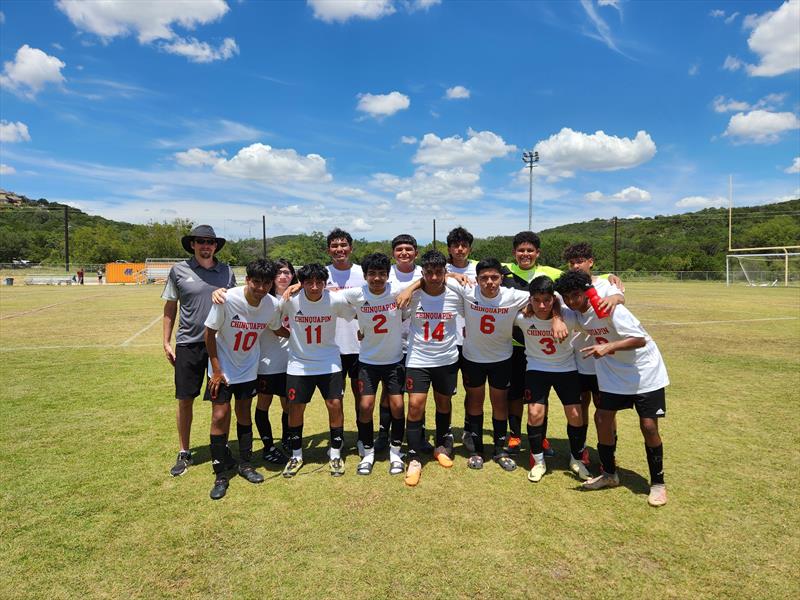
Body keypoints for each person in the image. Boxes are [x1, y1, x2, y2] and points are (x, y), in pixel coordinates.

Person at [555, 270, 670, 507]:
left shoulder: (608, 308)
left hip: (644, 372)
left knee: (648, 426)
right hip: (613, 374)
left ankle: (658, 483)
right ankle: (609, 474)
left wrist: (609, 347)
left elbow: (640, 339)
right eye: (567, 297)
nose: (571, 301)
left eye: (575, 295)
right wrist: (557, 317)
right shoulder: (577, 314)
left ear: (586, 292)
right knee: (602, 418)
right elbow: (553, 306)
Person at [204, 259, 282, 500]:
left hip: (248, 369)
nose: (261, 288)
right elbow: (209, 334)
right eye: (256, 282)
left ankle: (246, 464)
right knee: (219, 416)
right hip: (222, 370)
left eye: (266, 283)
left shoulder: (272, 304)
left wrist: (301, 336)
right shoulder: (227, 299)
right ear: (247, 279)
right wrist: (217, 370)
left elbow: (277, 328)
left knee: (244, 414)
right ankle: (220, 474)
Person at [162, 225, 236, 477]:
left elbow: (236, 305)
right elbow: (170, 307)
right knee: (185, 399)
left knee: (222, 399)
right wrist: (166, 342)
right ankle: (184, 451)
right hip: (189, 343)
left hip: (220, 344)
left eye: (210, 242)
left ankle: (222, 446)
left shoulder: (226, 271)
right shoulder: (179, 270)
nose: (206, 246)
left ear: (216, 246)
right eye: (201, 241)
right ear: (192, 244)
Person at [445, 257, 530, 471]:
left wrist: (556, 318)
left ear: (501, 278)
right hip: (473, 358)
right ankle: (477, 450)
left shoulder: (513, 295)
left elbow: (548, 296)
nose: (489, 282)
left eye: (494, 277)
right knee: (475, 402)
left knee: (499, 403)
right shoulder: (468, 290)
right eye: (484, 278)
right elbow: (437, 277)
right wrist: (454, 274)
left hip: (502, 359)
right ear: (477, 279)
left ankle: (499, 450)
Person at [280, 263, 357, 478]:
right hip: (299, 364)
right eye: (309, 282)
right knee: (296, 408)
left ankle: (335, 453)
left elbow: (357, 315)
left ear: (325, 283)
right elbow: (273, 320)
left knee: (335, 405)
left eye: (319, 282)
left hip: (329, 362)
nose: (314, 287)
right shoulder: (290, 300)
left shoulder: (335, 300)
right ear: (301, 283)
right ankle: (296, 455)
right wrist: (292, 339)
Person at [514, 276, 590, 484]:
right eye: (536, 300)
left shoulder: (568, 317)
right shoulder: (521, 317)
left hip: (566, 368)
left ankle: (577, 459)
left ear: (553, 300)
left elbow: (591, 323)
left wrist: (557, 316)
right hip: (536, 369)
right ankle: (538, 461)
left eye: (546, 300)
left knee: (575, 414)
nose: (541, 305)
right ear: (530, 299)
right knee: (534, 413)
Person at [338, 252, 406, 475]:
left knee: (397, 406)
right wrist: (297, 286)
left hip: (394, 361)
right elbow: (328, 294)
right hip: (368, 362)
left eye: (381, 274)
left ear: (388, 275)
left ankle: (396, 452)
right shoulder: (357, 293)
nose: (377, 278)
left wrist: (410, 289)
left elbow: (422, 282)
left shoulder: (396, 290)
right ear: (365, 275)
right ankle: (368, 452)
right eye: (372, 274)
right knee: (365, 406)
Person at [401, 250, 464, 486]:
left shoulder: (456, 293)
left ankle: (442, 446)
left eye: (439, 272)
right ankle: (414, 457)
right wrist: (411, 287)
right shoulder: (412, 295)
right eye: (429, 272)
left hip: (446, 359)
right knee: (415, 405)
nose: (434, 277)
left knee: (443, 403)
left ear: (445, 272)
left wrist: (456, 277)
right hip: (418, 359)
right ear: (422, 273)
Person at [501, 231, 564, 458]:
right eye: (521, 250)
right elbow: (468, 267)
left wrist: (609, 276)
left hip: (539, 345)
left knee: (540, 396)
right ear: (514, 252)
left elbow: (582, 275)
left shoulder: (551, 273)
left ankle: (541, 437)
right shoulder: (503, 270)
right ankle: (515, 435)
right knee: (514, 393)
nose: (525, 254)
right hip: (514, 344)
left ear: (538, 253)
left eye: (530, 250)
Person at [563, 242, 625, 467]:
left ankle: (608, 455)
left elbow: (619, 297)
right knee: (580, 407)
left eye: (580, 261)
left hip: (605, 362)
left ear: (591, 262)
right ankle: (579, 453)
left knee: (605, 411)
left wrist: (614, 298)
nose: (576, 266)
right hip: (579, 359)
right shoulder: (566, 287)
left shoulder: (606, 284)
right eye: (572, 263)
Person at [375, 234, 422, 452]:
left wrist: (410, 288)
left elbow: (442, 275)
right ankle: (384, 434)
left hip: (418, 344)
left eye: (409, 249)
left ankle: (418, 434)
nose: (404, 253)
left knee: (417, 394)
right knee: (389, 392)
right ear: (393, 253)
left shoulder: (423, 273)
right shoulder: (387, 274)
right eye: (399, 249)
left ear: (416, 252)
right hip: (390, 342)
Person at [325, 228, 366, 421]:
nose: (339, 249)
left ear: (351, 248)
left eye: (343, 245)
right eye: (334, 245)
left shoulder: (363, 273)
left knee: (361, 395)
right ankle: (338, 434)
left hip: (360, 345)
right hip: (332, 346)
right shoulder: (322, 275)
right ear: (328, 250)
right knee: (335, 397)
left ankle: (362, 433)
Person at [445, 227, 479, 453]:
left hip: (473, 340)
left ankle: (468, 430)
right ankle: (446, 431)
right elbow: (423, 277)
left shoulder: (479, 268)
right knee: (445, 391)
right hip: (446, 339)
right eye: (455, 245)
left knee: (472, 390)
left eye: (464, 245)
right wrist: (450, 275)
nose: (460, 249)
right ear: (449, 248)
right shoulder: (441, 268)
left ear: (470, 248)